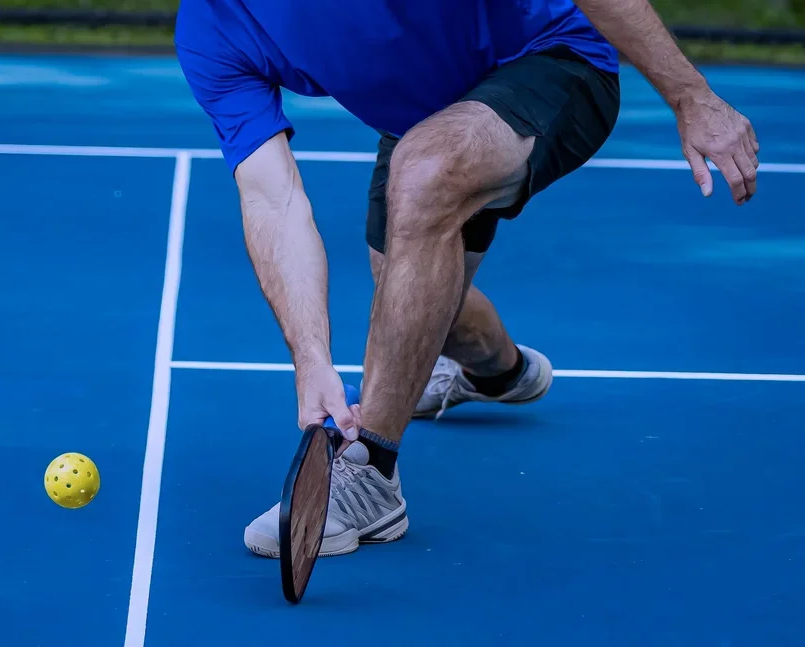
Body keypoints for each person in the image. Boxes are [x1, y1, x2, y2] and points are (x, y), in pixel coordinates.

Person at [174, 0, 760, 559]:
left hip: (551, 60)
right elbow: (273, 200)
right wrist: (312, 356)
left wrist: (692, 97)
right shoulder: (212, 29)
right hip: (424, 120)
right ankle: (501, 372)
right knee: (417, 308)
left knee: (425, 180)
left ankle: (371, 475)